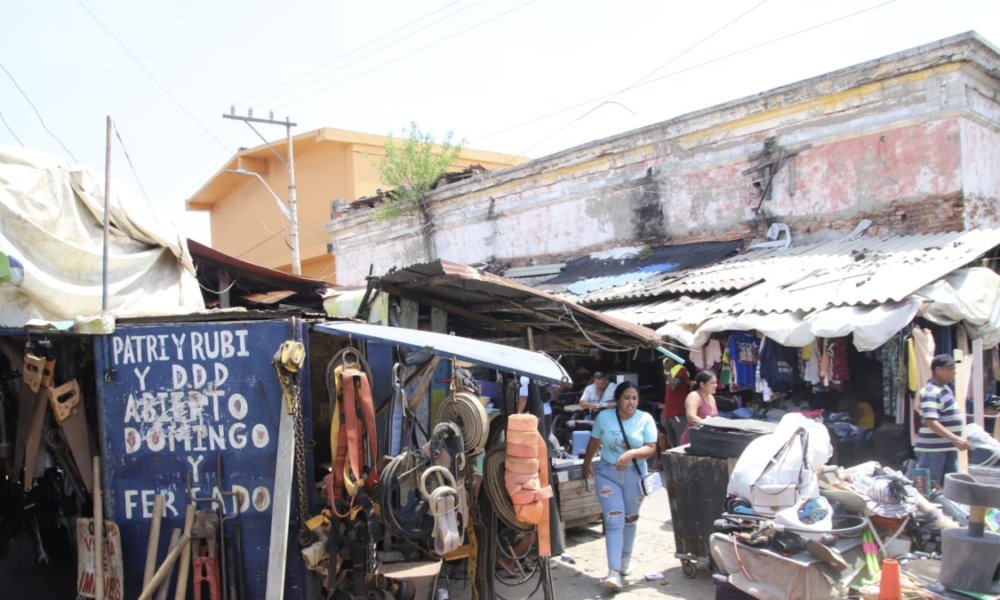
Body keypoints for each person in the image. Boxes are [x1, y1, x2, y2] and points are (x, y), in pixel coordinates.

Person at [581, 381, 657, 590]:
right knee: (614, 520)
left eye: (634, 398)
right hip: (608, 474)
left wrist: (631, 453)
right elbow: (594, 441)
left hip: (635, 475)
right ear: (618, 399)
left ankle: (625, 560)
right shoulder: (604, 417)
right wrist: (586, 464)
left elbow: (651, 448)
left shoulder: (645, 419)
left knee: (630, 519)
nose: (631, 402)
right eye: (626, 398)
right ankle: (613, 572)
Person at [915, 354, 968, 488]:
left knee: (953, 488)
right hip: (933, 451)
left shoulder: (945, 389)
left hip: (947, 448)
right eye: (950, 369)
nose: (954, 373)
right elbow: (930, 422)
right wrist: (956, 439)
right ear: (938, 370)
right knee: (927, 489)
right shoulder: (930, 392)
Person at [679, 371, 719, 445]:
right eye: (712, 383)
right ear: (702, 384)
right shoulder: (694, 396)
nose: (716, 385)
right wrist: (706, 424)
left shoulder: (711, 397)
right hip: (693, 440)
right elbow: (691, 417)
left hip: (707, 439)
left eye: (716, 383)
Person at [660, 357, 690, 449]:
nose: (666, 364)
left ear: (673, 361)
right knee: (672, 444)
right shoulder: (670, 373)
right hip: (669, 414)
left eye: (668, 361)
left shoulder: (681, 370)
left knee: (681, 443)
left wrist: (668, 371)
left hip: (678, 413)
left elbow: (673, 386)